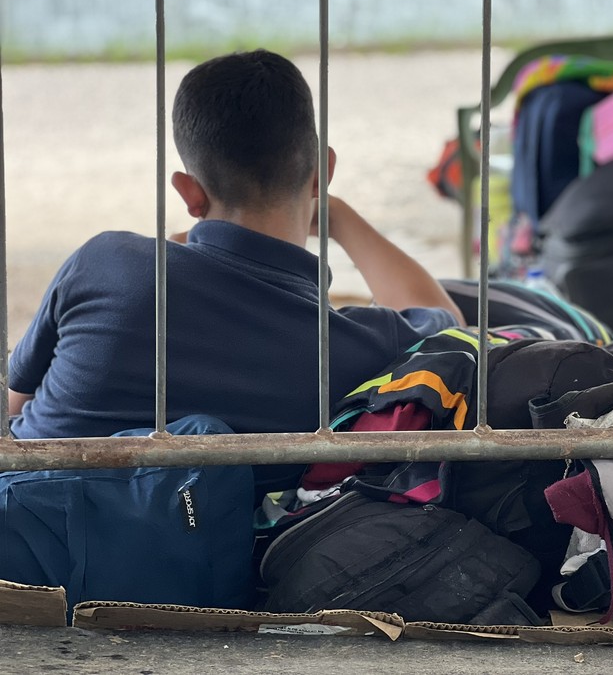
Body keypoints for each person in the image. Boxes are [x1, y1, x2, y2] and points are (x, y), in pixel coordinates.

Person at [7, 49, 464, 494]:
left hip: (27, 525)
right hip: (193, 553)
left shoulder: (106, 262)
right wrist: (337, 216)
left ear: (189, 193)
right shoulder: (354, 346)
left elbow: (17, 402)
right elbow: (454, 329)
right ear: (322, 171)